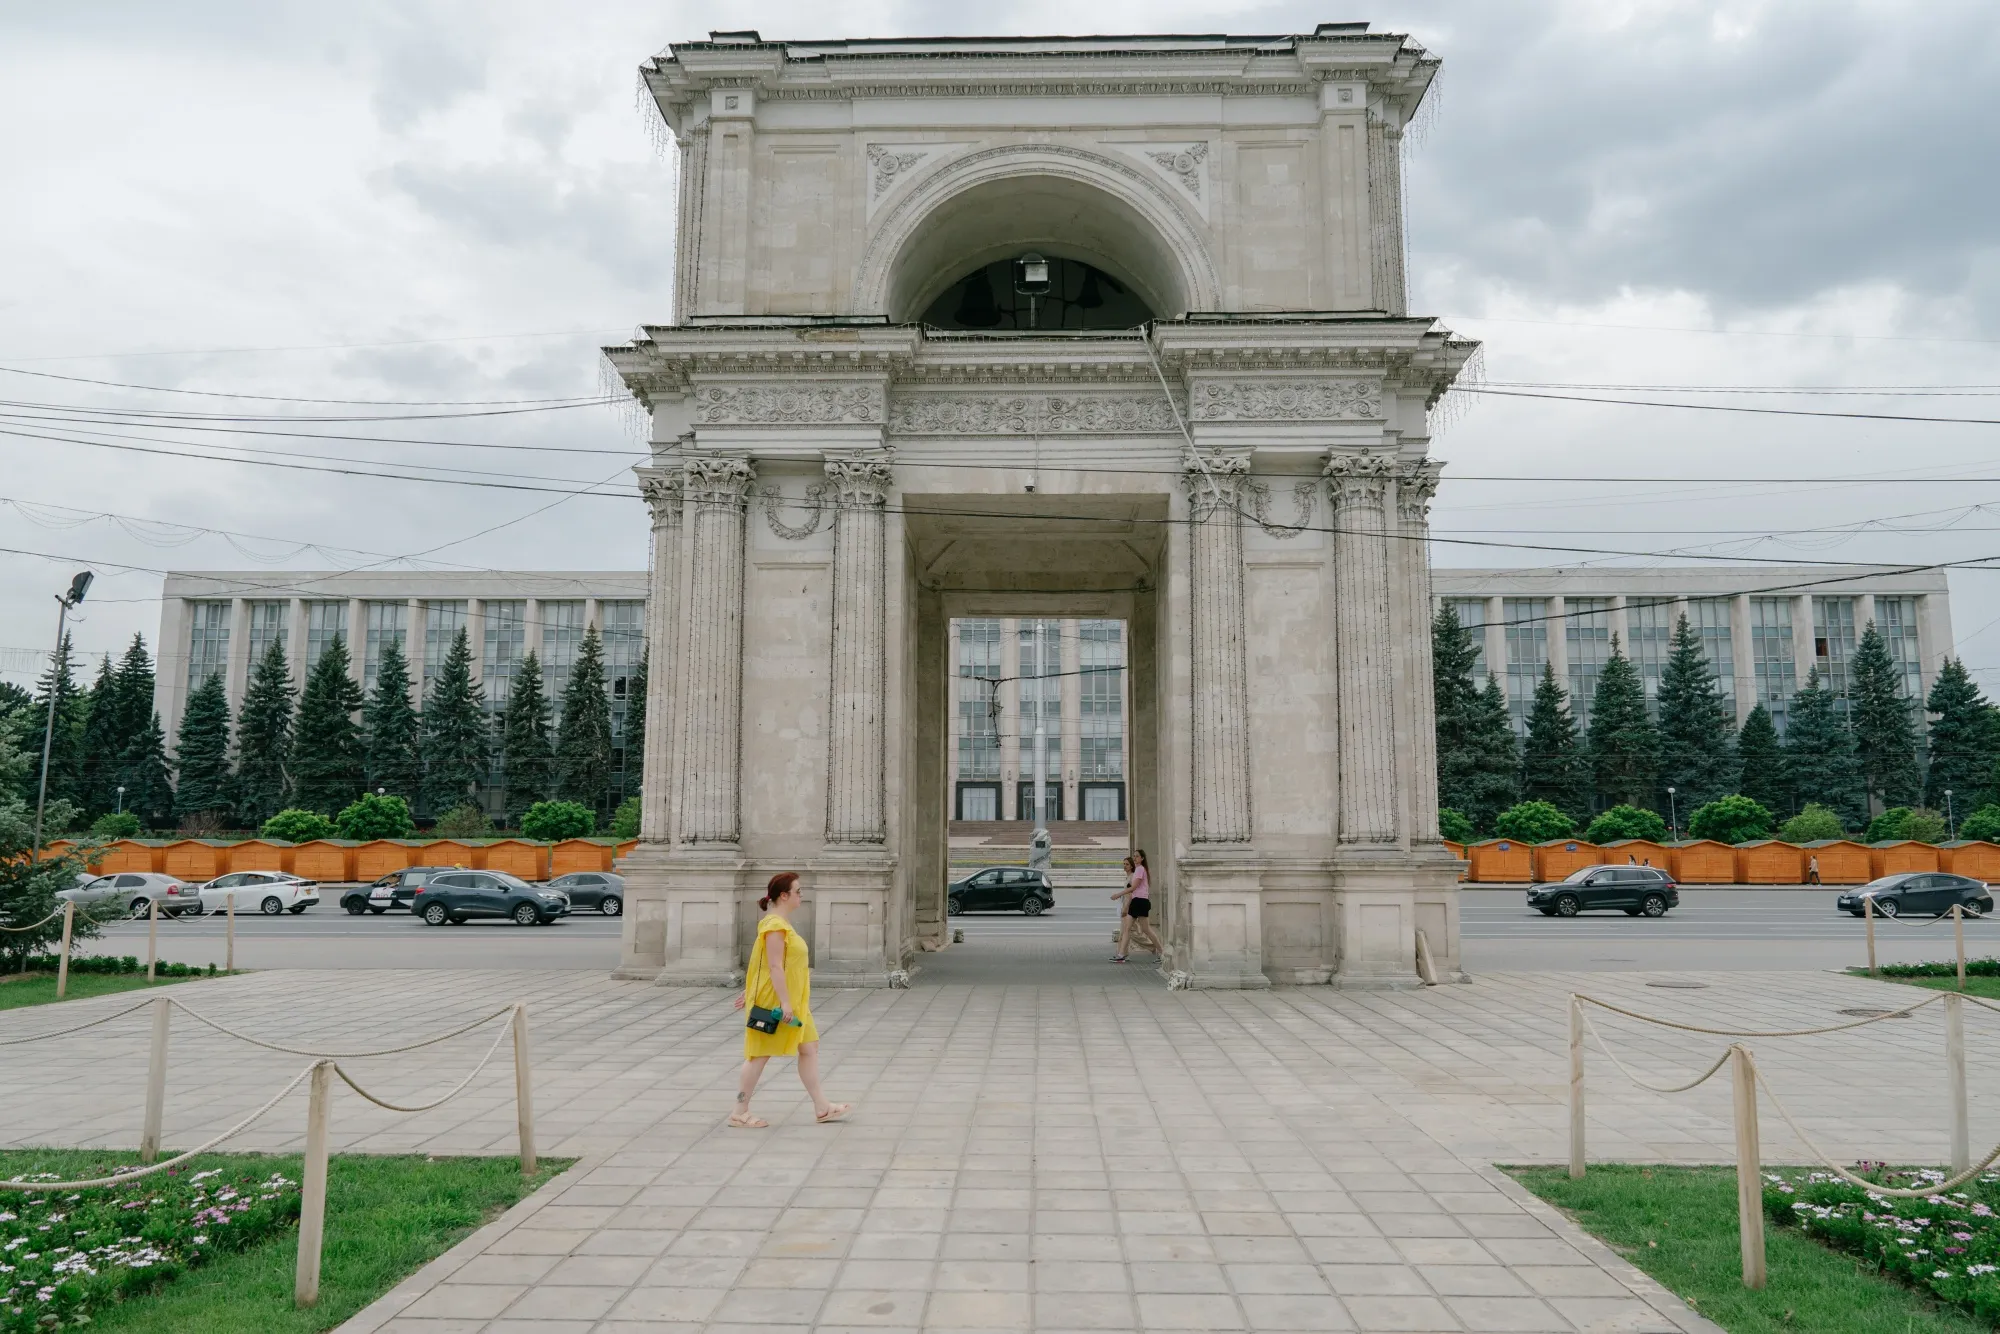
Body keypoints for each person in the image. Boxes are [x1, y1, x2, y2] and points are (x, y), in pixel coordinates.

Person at [728, 871, 849, 1128]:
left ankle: (822, 1107)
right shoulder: (774, 926)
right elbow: (773, 966)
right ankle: (740, 1110)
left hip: (795, 1002)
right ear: (784, 896)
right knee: (759, 1055)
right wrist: (782, 1003)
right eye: (798, 891)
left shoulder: (781, 924)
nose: (801, 895)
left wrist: (751, 989)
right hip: (777, 1003)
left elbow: (761, 964)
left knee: (809, 1047)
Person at [1112, 848, 1161, 962]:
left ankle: (1161, 951)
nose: (1135, 858)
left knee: (1146, 929)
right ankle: (1121, 954)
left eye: (1137, 856)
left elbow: (1133, 888)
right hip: (1137, 901)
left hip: (1140, 901)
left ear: (1142, 858)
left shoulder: (1140, 870)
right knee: (1127, 929)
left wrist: (1118, 894)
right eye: (1134, 856)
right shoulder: (1139, 869)